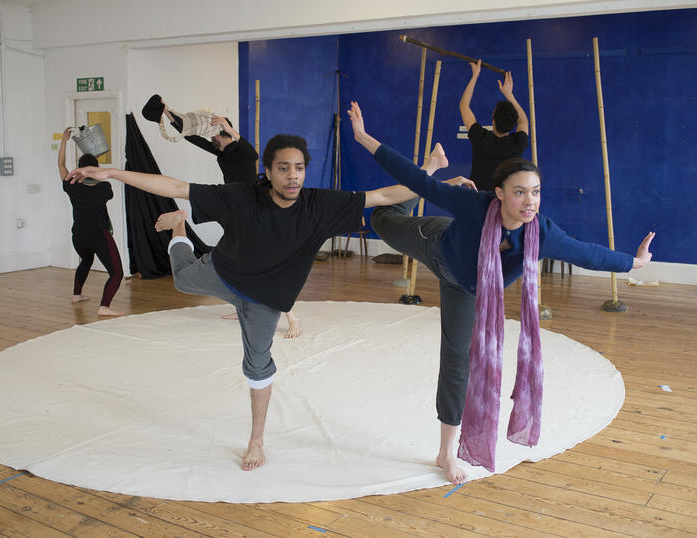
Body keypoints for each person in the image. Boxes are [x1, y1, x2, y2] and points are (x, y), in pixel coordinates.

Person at [65, 133, 474, 472]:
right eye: (283, 168)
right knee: (185, 278)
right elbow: (173, 186)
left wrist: (440, 181)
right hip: (222, 273)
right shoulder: (241, 197)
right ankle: (178, 228)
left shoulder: (319, 204)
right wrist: (113, 173)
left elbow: (384, 195)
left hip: (264, 300)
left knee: (258, 365)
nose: (292, 176)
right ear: (268, 171)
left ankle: (256, 440)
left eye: (299, 168)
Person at [348, 101, 654, 484]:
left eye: (536, 193)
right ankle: (434, 163)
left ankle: (446, 452)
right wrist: (362, 137)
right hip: (437, 245)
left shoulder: (541, 233)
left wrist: (633, 263)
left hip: (468, 287)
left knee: (459, 360)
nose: (529, 202)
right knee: (384, 219)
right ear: (499, 193)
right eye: (520, 193)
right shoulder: (474, 205)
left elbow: (586, 253)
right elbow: (415, 180)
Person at [143, 95, 303, 337]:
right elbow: (190, 137)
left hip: (254, 210)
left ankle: (292, 318)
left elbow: (253, 153)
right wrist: (167, 113)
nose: (211, 137)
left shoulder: (243, 152)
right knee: (235, 259)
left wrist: (228, 127)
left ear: (222, 132)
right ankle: (240, 305)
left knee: (263, 262)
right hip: (234, 209)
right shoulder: (222, 153)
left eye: (214, 133)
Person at [58, 128, 124, 317]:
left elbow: (61, 164)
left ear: (78, 168)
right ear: (95, 169)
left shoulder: (71, 184)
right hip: (98, 234)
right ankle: (104, 306)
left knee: (86, 260)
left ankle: (76, 295)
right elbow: (104, 179)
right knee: (116, 273)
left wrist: (64, 141)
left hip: (78, 234)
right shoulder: (104, 187)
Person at [459, 60, 530, 191]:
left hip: (478, 200)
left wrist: (475, 75)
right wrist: (509, 94)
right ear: (513, 124)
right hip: (504, 203)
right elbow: (524, 121)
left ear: (493, 121)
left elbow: (464, 105)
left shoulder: (481, 138)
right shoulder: (517, 143)